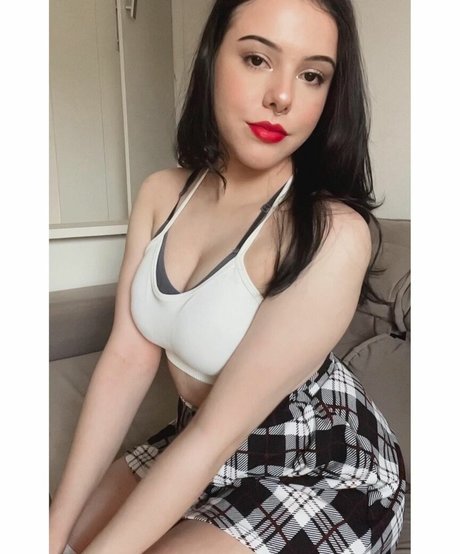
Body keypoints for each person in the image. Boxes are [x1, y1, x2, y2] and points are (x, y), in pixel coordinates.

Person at [49, 0, 406, 552]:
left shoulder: (332, 232)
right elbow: (126, 359)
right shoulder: (161, 193)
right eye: (258, 59)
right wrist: (52, 529)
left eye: (312, 75)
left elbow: (218, 435)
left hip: (316, 463)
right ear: (213, 57)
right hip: (196, 433)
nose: (282, 96)